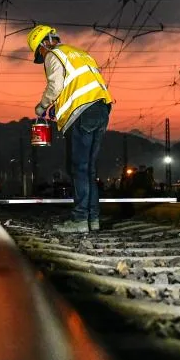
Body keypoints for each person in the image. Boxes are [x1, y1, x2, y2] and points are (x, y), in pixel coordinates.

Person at [28, 25, 113, 233]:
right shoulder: (81, 54)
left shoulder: (53, 54)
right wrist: (59, 106)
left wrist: (42, 106)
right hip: (101, 109)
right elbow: (75, 84)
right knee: (89, 169)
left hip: (81, 113)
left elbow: (55, 86)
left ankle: (80, 220)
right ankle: (93, 219)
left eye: (39, 52)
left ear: (44, 44)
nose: (42, 56)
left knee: (78, 168)